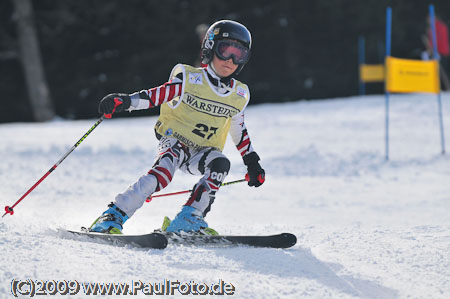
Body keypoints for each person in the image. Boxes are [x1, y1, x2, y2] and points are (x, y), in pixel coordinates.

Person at [89, 20, 265, 235]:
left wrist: (251, 161)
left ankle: (189, 218)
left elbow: (239, 129)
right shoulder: (189, 78)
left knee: (220, 163)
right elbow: (157, 95)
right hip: (176, 141)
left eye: (239, 55)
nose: (230, 60)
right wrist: (126, 101)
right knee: (162, 173)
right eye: (225, 50)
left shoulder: (239, 94)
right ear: (210, 48)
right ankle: (112, 216)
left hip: (202, 152)